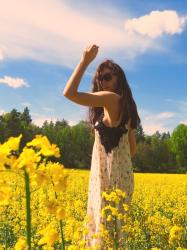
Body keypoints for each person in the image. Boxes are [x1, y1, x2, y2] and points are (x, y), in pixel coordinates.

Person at [63, 44, 141, 249]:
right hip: (117, 178)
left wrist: (84, 61)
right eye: (100, 79)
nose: (102, 82)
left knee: (104, 234)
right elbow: (132, 149)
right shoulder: (124, 108)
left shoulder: (112, 98)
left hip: (108, 180)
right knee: (114, 235)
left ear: (118, 80)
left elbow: (69, 93)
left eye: (107, 77)